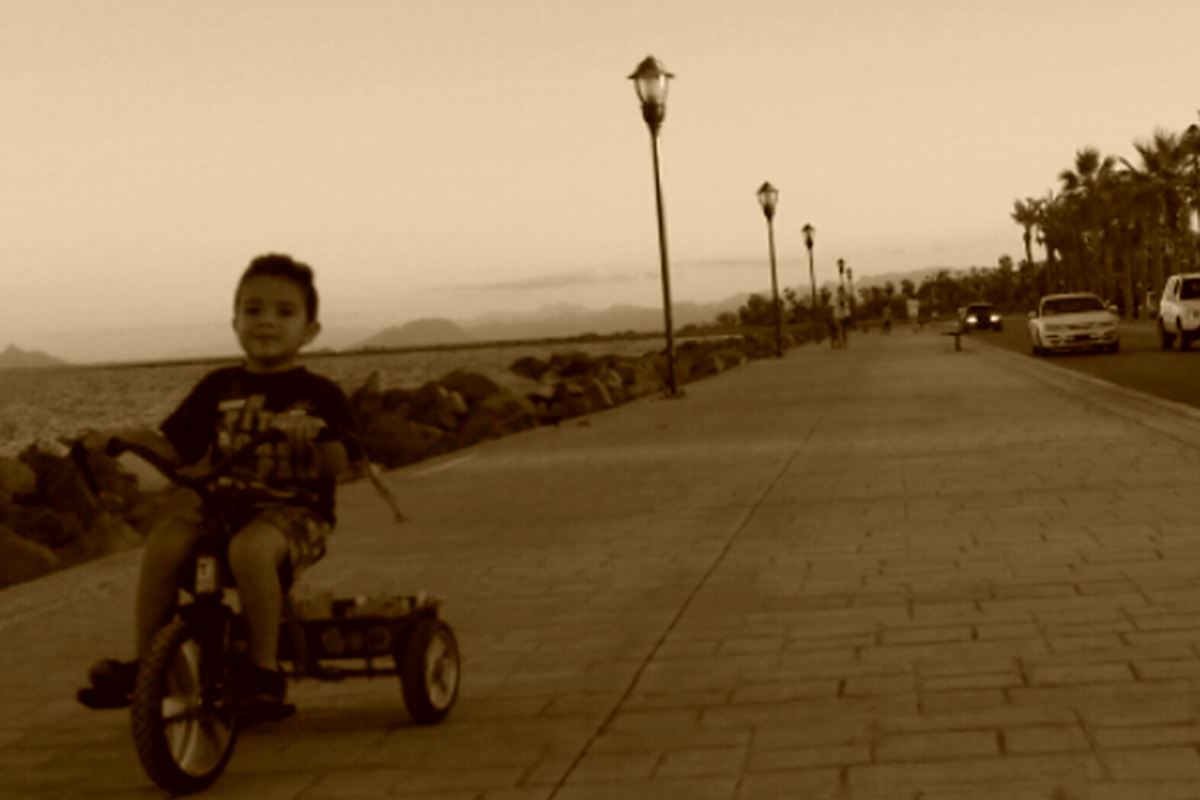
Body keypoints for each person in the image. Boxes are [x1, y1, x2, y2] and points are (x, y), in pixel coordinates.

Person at [82, 254, 357, 713]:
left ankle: (263, 672)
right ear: (235, 322)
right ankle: (149, 660)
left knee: (249, 551)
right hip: (224, 509)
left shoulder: (321, 395)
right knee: (166, 540)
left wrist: (314, 437)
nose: (267, 322)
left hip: (297, 515)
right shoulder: (217, 387)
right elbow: (174, 448)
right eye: (253, 311)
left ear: (309, 331)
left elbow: (340, 465)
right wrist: (122, 437)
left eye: (284, 313)